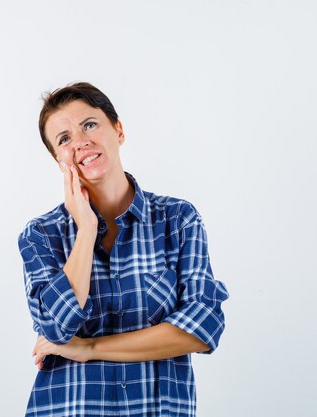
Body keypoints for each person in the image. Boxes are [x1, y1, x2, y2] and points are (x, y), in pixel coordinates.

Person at [17, 82, 229, 417]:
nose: (81, 141)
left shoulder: (178, 220)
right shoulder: (41, 235)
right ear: (58, 159)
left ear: (118, 130)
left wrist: (90, 348)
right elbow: (58, 328)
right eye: (64, 138)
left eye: (89, 124)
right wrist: (85, 228)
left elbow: (203, 328)